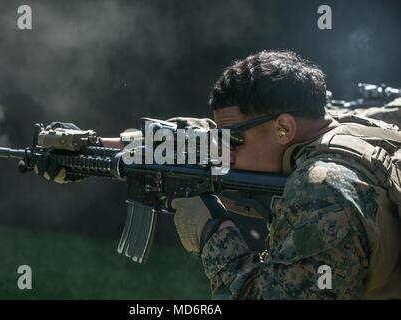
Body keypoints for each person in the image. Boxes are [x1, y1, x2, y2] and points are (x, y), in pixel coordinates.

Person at [35, 50, 401, 299]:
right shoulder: (341, 126)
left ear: (283, 128)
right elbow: (206, 138)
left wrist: (213, 234)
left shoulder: (321, 188)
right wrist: (97, 146)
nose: (223, 149)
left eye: (234, 138)